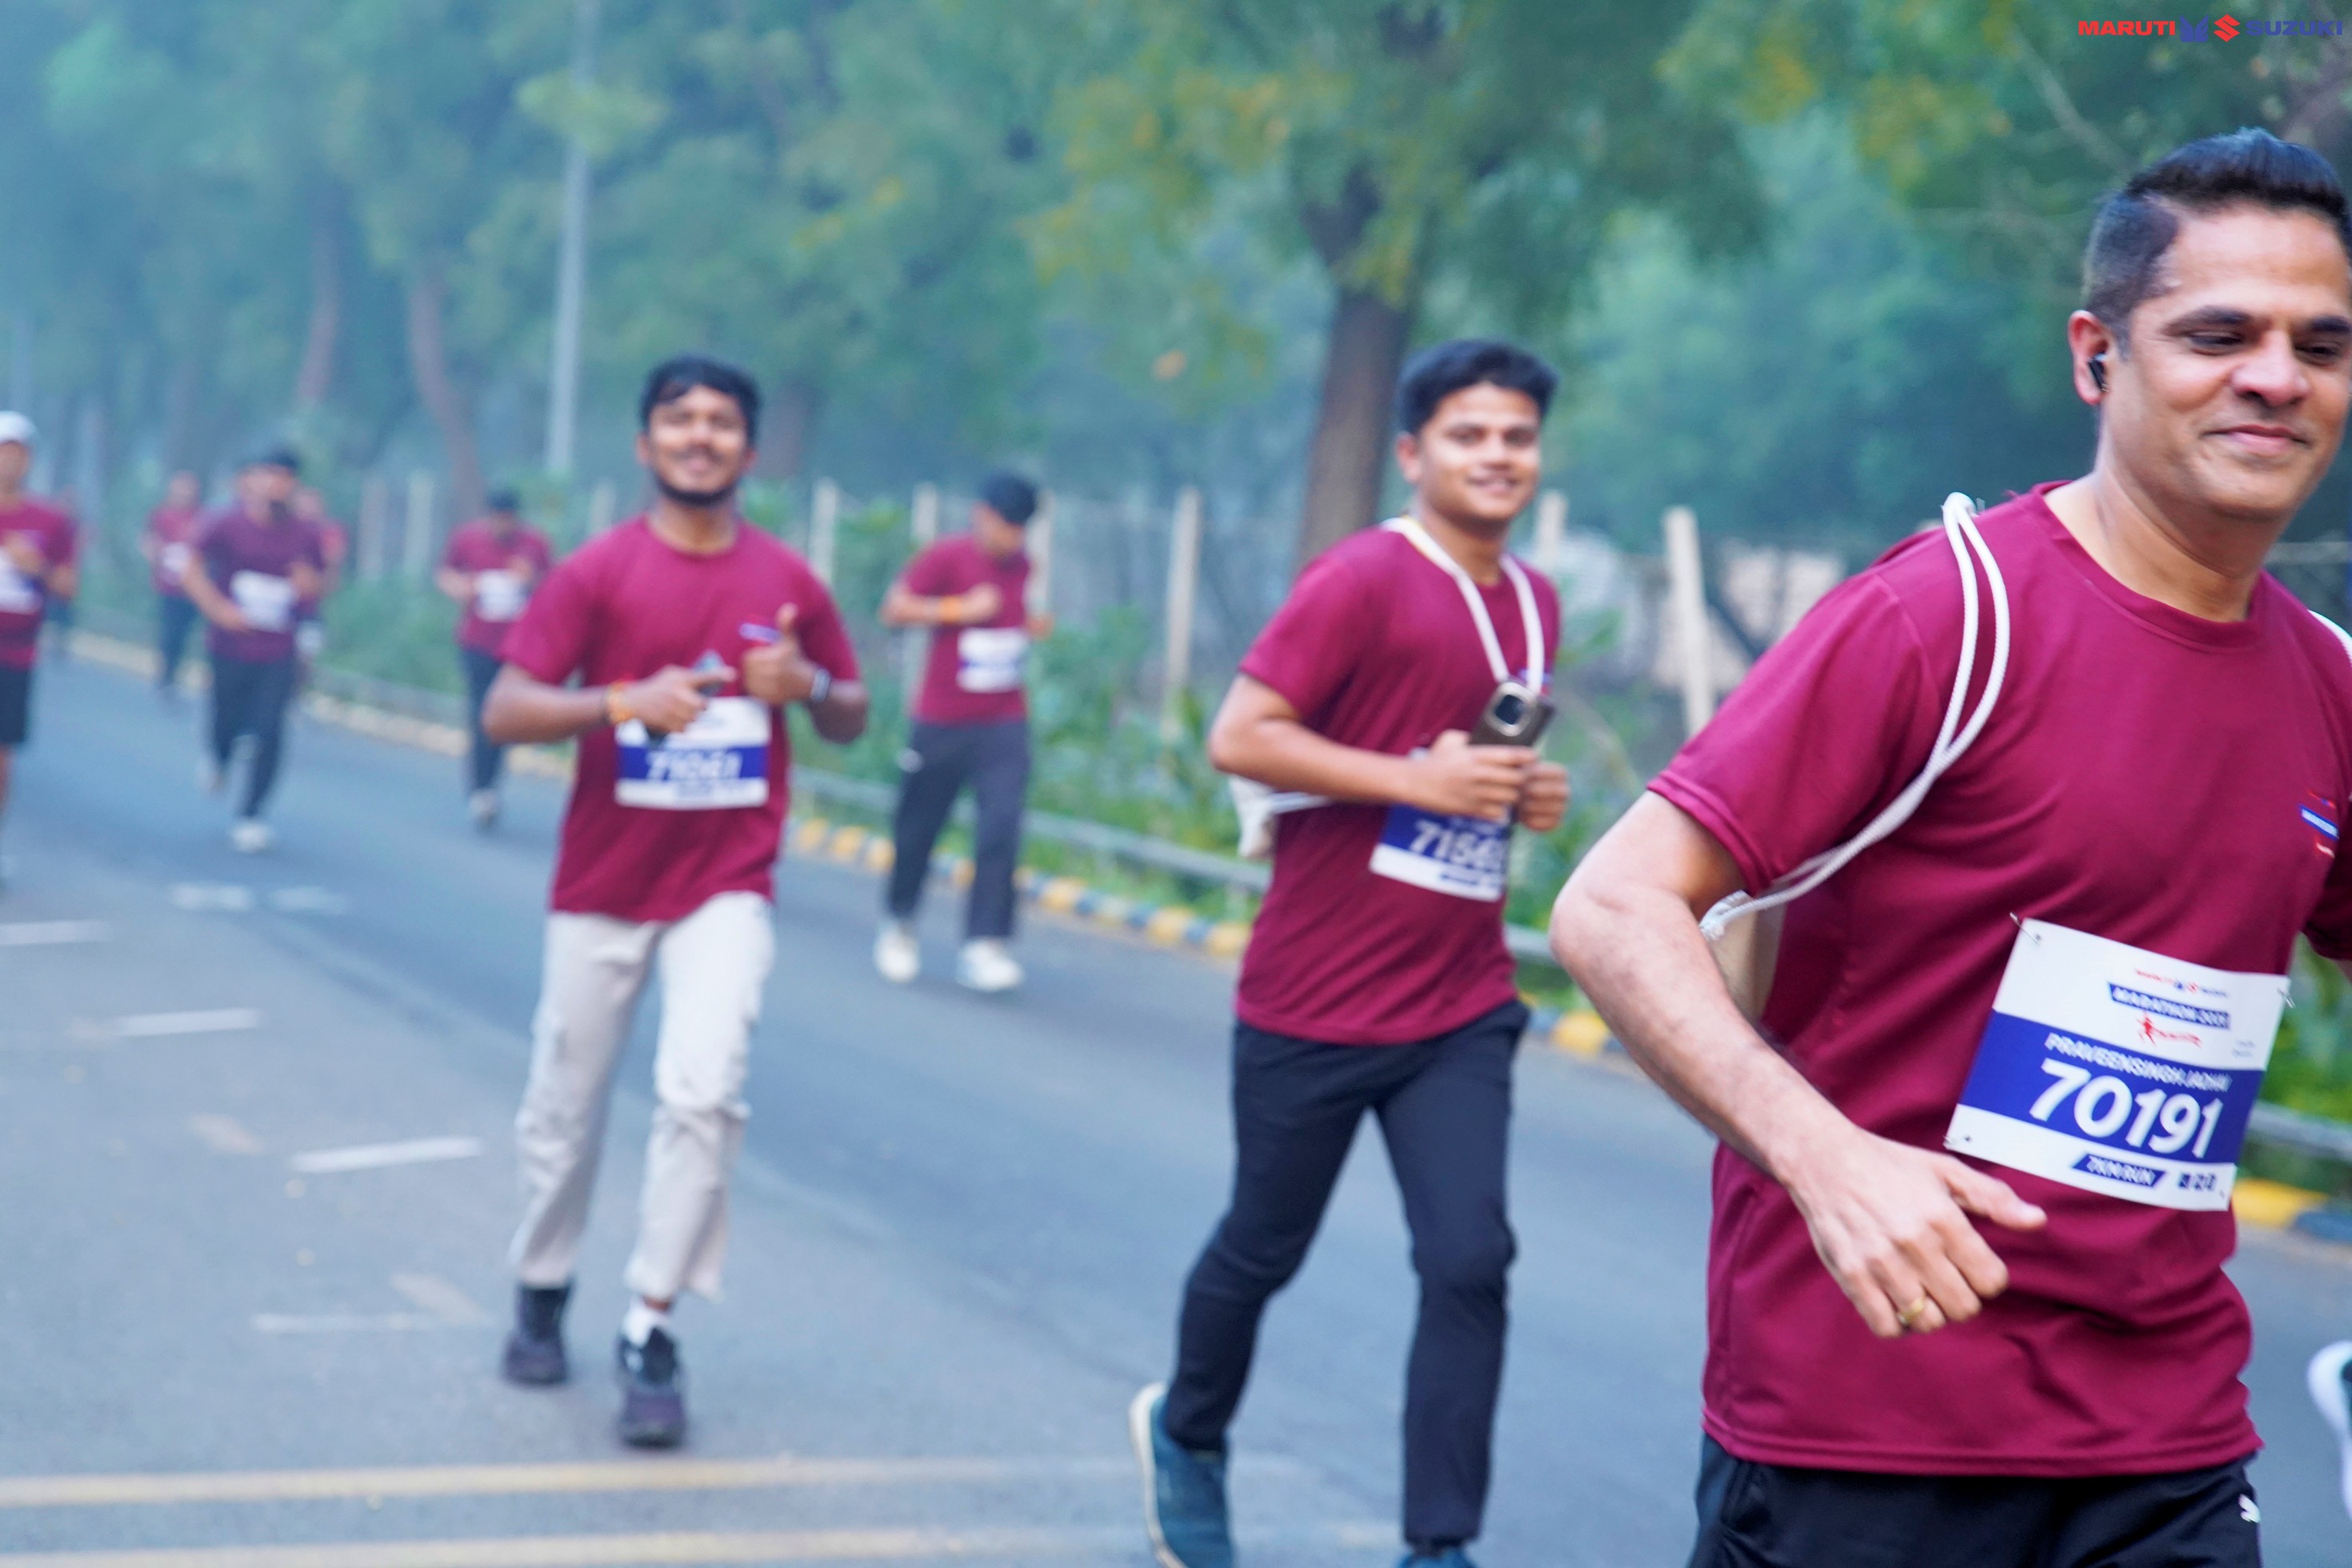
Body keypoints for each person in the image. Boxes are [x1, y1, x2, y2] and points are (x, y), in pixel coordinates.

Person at [1550, 129, 2352, 1568]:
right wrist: (1827, 1158)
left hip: (2169, 1449)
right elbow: (1614, 907)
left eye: (2321, 345)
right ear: (2098, 357)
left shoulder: (2330, 686)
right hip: (1870, 1432)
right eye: (2218, 335)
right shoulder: (1945, 620)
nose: (2277, 378)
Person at [1130, 340, 1570, 1568]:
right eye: (1470, 435)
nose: (1497, 456)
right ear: (1413, 453)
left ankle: (1440, 1547)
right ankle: (1187, 1434)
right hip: (1315, 998)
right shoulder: (1363, 579)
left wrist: (1522, 793)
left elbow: (1467, 765)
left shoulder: (1535, 602)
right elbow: (1241, 734)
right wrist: (1414, 781)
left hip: (1459, 1001)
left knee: (1471, 1261)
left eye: (1518, 436)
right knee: (1263, 1247)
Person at [481, 356, 868, 1449]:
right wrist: (621, 702)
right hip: (604, 885)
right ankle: (542, 1284)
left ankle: (651, 1323)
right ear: (646, 444)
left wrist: (811, 688)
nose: (702, 436)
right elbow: (506, 709)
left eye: (722, 421)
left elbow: (851, 711)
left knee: (704, 1091)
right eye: (680, 419)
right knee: (566, 1104)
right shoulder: (597, 574)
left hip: (725, 884)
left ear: (751, 448)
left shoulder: (788, 581)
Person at [873, 470, 1050, 991]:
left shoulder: (1024, 565)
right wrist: (957, 609)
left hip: (1004, 717)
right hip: (943, 717)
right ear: (982, 516)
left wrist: (1028, 626)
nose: (1011, 538)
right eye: (1004, 525)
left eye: (1020, 529)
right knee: (919, 825)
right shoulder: (946, 557)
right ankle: (899, 923)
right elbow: (894, 609)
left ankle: (984, 944)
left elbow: (1009, 618)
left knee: (1001, 826)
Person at [182, 450, 324, 854]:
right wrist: (217, 609)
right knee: (225, 717)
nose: (276, 484)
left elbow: (319, 583)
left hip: (278, 647)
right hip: (230, 643)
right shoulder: (225, 523)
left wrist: (308, 585)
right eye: (269, 475)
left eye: (285, 477)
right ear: (253, 479)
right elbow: (189, 568)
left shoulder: (305, 533)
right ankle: (219, 757)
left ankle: (252, 814)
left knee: (271, 729)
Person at [437, 487, 554, 829]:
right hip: (477, 642)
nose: (502, 525)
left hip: (516, 648)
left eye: (508, 519)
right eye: (497, 519)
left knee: (503, 717)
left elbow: (555, 587)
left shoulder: (534, 544)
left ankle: (491, 787)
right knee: (479, 714)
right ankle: (478, 789)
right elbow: (445, 573)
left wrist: (530, 581)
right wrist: (463, 588)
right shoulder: (468, 539)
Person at [0, 412, 80, 885]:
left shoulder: (50, 521)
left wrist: (36, 568)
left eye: (16, 452)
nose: (8, 461)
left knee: (2, 756)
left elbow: (68, 587)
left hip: (15, 653)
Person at [146, 471, 205, 695]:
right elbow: (150, 541)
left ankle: (174, 671)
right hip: (168, 584)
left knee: (183, 631)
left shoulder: (202, 517)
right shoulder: (161, 514)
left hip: (191, 587)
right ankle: (165, 672)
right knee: (169, 630)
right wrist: (157, 558)